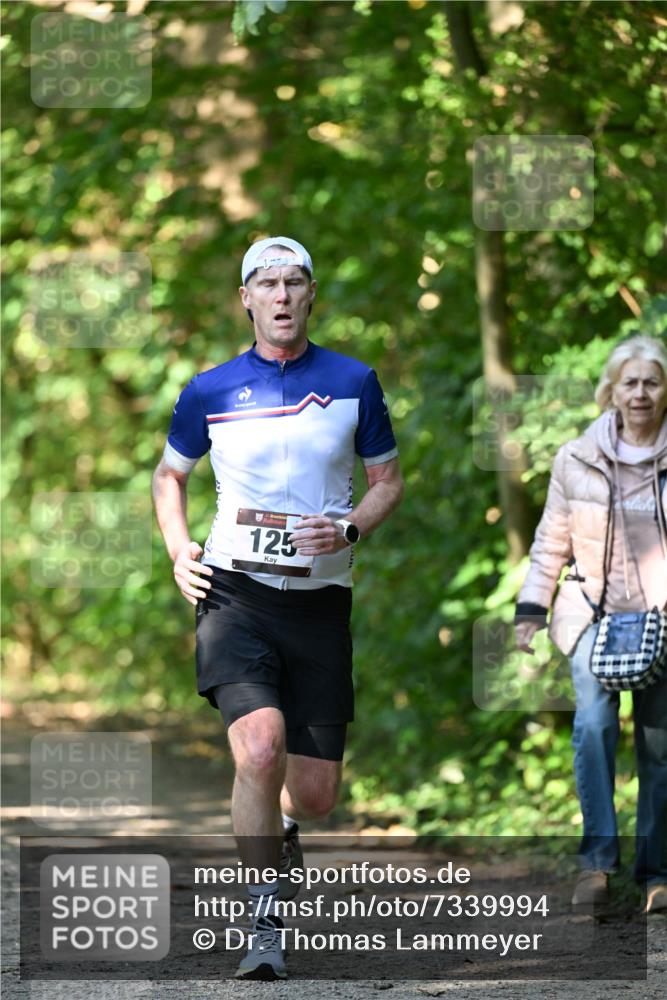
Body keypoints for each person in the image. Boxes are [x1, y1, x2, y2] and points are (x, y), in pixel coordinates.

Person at [152, 236, 404, 979]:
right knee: (258, 746)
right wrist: (178, 550)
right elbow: (170, 476)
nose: (283, 296)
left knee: (318, 794)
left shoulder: (354, 380)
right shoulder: (209, 390)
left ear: (311, 295)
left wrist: (352, 524)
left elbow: (387, 479)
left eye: (295, 282)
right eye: (268, 283)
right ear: (247, 299)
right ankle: (263, 918)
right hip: (233, 593)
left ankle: (288, 823)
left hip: (320, 601)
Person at [514, 334, 667, 914]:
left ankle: (657, 872)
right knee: (594, 728)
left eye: (652, 381)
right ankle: (597, 865)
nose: (641, 393)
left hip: (662, 622)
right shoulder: (577, 457)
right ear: (611, 389)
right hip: (591, 616)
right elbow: (551, 539)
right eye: (630, 382)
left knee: (659, 745)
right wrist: (532, 607)